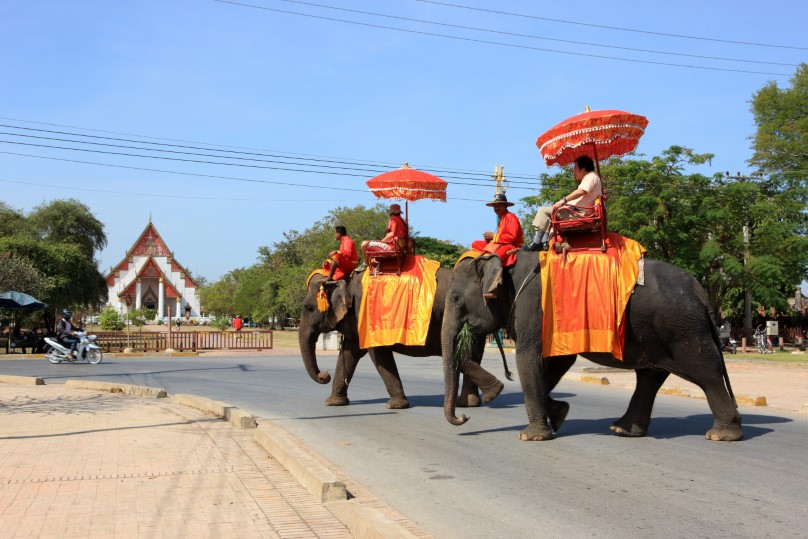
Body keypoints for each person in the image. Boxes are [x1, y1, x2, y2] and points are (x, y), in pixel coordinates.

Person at [525, 155, 603, 250]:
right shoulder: (590, 178)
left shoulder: (591, 176)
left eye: (575, 167)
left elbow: (582, 191)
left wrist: (564, 200)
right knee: (552, 211)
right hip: (577, 212)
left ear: (583, 168)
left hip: (580, 214)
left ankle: (537, 242)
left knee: (543, 210)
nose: (573, 171)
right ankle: (544, 242)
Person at [471, 193, 524, 267]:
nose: (496, 208)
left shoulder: (511, 217)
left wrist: (493, 236)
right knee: (475, 243)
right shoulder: (502, 218)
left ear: (505, 206)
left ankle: (497, 276)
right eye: (494, 206)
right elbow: (500, 238)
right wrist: (489, 239)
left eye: (499, 205)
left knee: (495, 258)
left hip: (511, 246)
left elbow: (512, 237)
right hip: (501, 244)